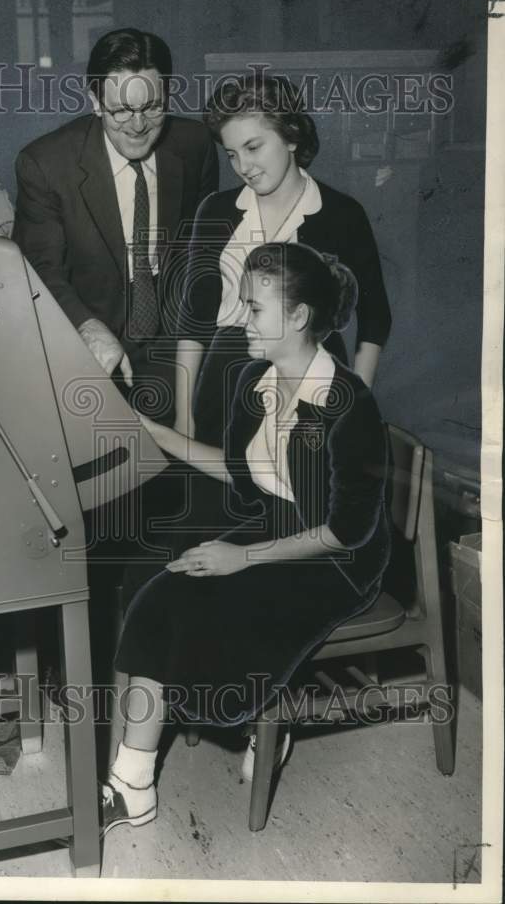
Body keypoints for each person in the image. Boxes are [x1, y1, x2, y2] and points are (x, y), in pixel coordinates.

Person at [102, 242, 391, 834]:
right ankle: (131, 782)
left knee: (195, 597)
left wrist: (243, 557)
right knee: (156, 583)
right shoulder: (257, 380)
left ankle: (265, 718)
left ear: (299, 317)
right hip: (276, 529)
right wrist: (153, 431)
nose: (238, 319)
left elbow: (346, 530)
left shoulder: (348, 405)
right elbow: (241, 469)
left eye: (254, 308)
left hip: (339, 559)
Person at [13, 27, 218, 427]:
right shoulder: (45, 164)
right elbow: (38, 268)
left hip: (176, 341)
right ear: (95, 102)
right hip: (89, 333)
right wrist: (88, 328)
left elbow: (203, 252)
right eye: (121, 110)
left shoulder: (196, 145)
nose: (138, 125)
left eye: (152, 108)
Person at [175, 75, 391, 446]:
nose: (243, 165)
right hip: (224, 382)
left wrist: (358, 405)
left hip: (314, 385)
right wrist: (183, 414)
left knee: (304, 499)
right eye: (232, 154)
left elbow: (375, 318)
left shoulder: (342, 214)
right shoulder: (215, 211)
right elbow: (193, 318)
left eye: (254, 147)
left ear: (291, 137)